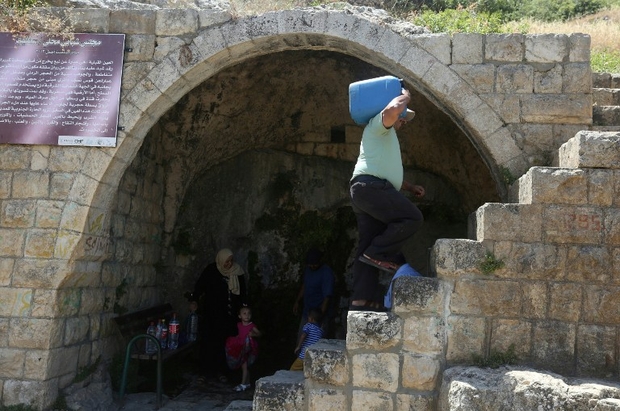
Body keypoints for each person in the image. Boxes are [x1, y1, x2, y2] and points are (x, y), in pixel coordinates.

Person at [349, 86, 425, 311]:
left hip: (366, 190)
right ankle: (378, 253)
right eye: (404, 117)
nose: (405, 121)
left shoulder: (384, 137)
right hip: (370, 188)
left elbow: (385, 171)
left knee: (366, 247)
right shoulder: (378, 126)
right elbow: (393, 108)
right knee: (412, 218)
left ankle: (362, 301)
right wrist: (407, 95)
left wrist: (410, 187)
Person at [190, 248, 247, 383]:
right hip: (212, 313)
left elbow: (243, 292)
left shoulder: (237, 272)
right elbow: (200, 286)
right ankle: (204, 372)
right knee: (208, 342)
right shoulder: (211, 270)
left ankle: (222, 372)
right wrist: (194, 300)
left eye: (231, 260)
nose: (229, 264)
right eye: (227, 261)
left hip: (229, 315)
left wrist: (243, 308)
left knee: (224, 343)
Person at [293, 248, 335, 337]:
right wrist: (297, 301)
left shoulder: (326, 272)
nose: (312, 266)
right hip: (307, 312)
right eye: (310, 264)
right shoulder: (308, 270)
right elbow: (304, 285)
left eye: (314, 264)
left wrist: (319, 317)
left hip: (318, 314)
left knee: (316, 343)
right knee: (301, 340)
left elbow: (327, 297)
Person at [225, 306, 261, 392]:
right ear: (240, 316)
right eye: (244, 313)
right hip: (241, 347)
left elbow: (259, 334)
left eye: (249, 313)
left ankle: (243, 384)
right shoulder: (239, 325)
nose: (247, 315)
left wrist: (253, 335)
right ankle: (247, 383)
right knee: (244, 366)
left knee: (244, 366)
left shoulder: (251, 326)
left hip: (248, 347)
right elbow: (240, 334)